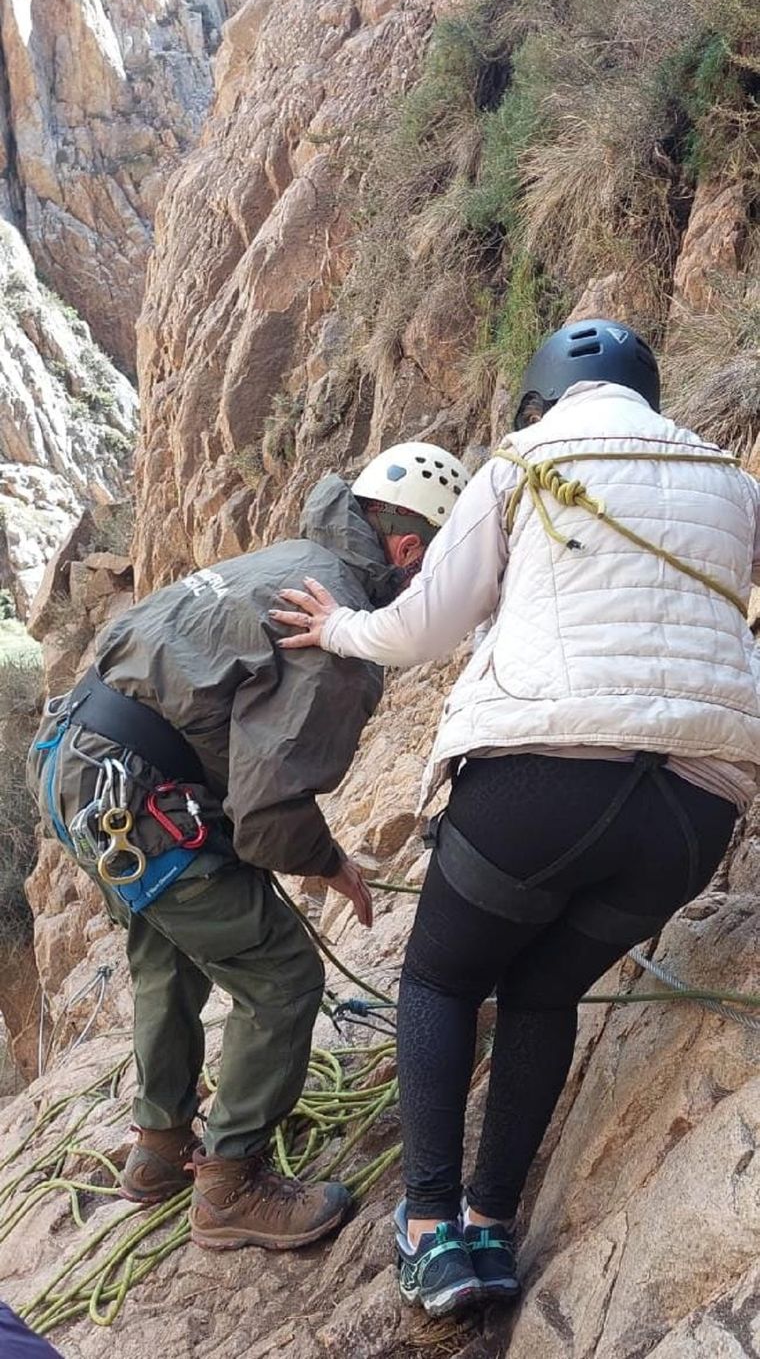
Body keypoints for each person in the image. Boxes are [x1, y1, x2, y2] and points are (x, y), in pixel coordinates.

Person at [271, 320, 760, 1315]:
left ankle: (429, 1228)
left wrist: (338, 627)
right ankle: (492, 1232)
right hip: (695, 805)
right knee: (541, 994)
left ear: (541, 399)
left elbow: (422, 626)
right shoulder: (731, 480)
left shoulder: (527, 458)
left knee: (442, 979)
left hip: (540, 780)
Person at [27, 444, 468, 1254]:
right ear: (408, 550)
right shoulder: (335, 624)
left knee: (169, 948)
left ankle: (159, 1149)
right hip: (138, 791)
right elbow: (267, 810)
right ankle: (230, 1184)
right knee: (281, 973)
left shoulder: (294, 557)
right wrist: (330, 861)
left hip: (75, 757)